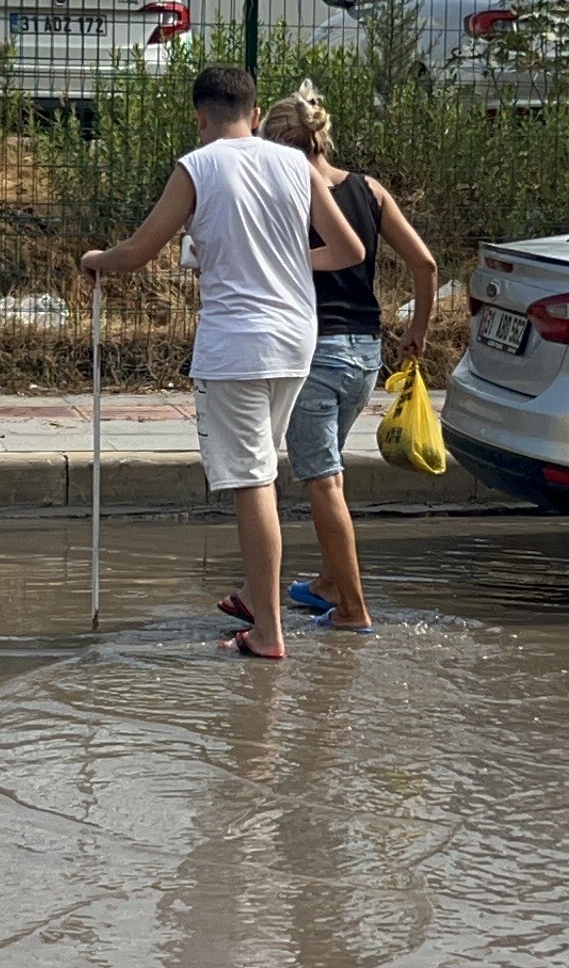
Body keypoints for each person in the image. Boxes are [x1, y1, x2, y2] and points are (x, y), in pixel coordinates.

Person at [81, 64, 365, 659]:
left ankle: (267, 632)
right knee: (261, 471)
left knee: (251, 481)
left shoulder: (198, 165)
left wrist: (95, 259)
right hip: (296, 340)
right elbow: (348, 249)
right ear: (256, 115)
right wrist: (281, 261)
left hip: (236, 346)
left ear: (200, 117)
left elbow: (139, 250)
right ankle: (258, 602)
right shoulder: (295, 162)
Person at [255, 80, 435, 632]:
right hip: (363, 354)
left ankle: (353, 609)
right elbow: (425, 266)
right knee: (329, 470)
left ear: (281, 143)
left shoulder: (286, 194)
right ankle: (331, 582)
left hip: (313, 353)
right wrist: (418, 335)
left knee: (322, 481)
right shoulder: (370, 190)